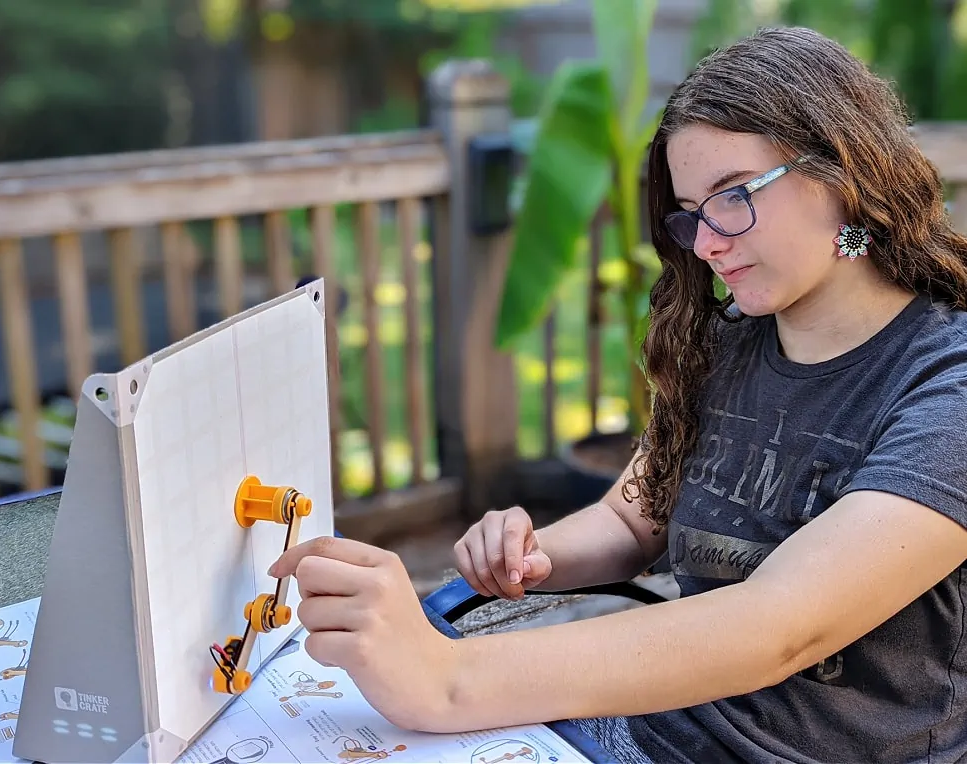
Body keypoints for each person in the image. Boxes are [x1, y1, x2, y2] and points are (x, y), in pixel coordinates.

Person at [268, 26, 967, 763]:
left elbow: (780, 625)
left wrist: (445, 678)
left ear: (843, 175)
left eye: (734, 197)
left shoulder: (945, 385)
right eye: (692, 212)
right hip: (659, 728)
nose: (705, 243)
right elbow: (634, 521)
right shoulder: (729, 341)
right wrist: (535, 557)